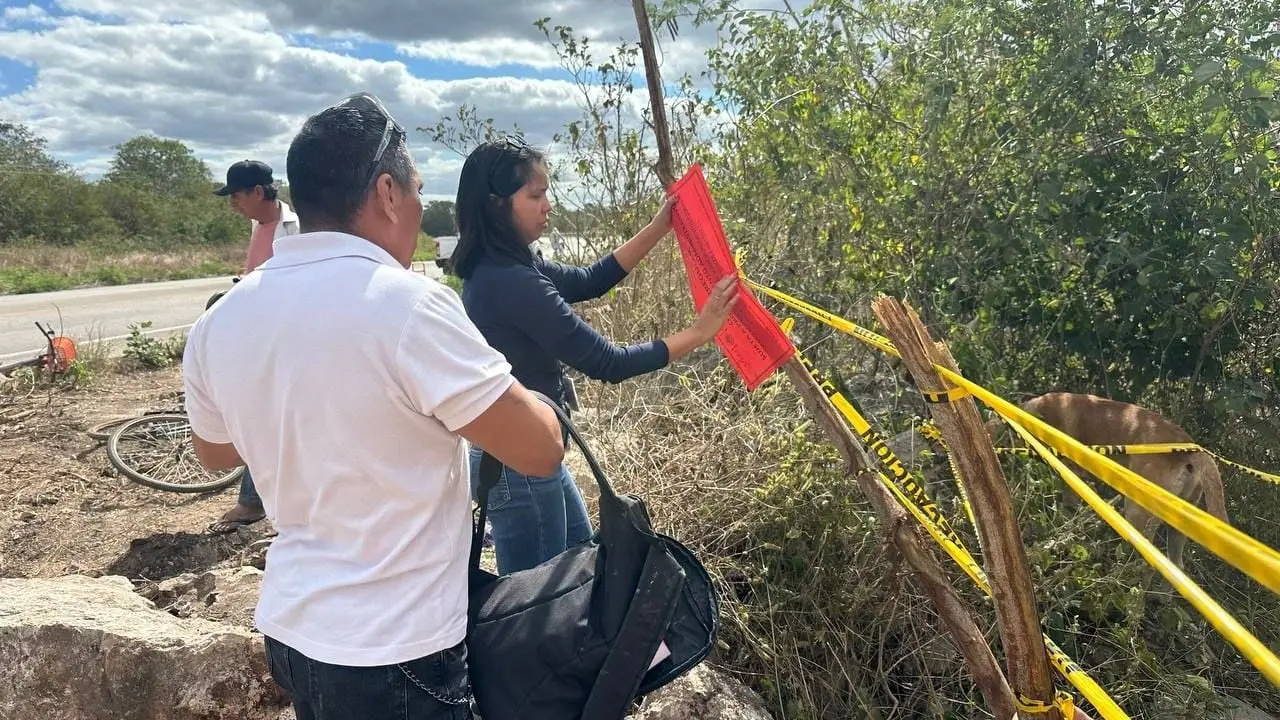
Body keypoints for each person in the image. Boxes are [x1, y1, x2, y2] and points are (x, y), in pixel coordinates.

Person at [183, 92, 566, 719]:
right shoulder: (409, 305)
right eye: (416, 188)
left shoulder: (221, 321)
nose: (419, 205)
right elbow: (541, 451)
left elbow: (215, 453)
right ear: (387, 193)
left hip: (294, 628)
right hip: (398, 648)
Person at [452, 136, 741, 576]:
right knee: (537, 612)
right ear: (497, 205)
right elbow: (608, 362)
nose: (548, 205)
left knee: (586, 572)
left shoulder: (506, 266)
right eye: (535, 195)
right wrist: (700, 333)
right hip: (518, 470)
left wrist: (660, 226)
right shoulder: (509, 282)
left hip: (527, 457)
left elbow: (590, 279)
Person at [206, 159, 301, 535]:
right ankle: (255, 500)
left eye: (237, 196)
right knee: (263, 413)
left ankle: (253, 502)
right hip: (256, 333)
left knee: (271, 414)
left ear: (259, 192)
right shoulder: (258, 226)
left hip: (283, 335)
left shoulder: (293, 228)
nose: (233, 204)